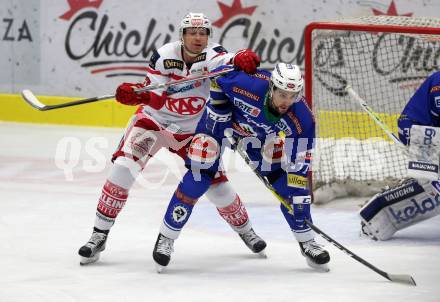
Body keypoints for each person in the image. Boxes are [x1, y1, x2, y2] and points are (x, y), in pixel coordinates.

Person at [78, 12, 267, 269]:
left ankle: (246, 230)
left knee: (217, 186)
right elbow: (156, 97)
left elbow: (230, 59)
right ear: (182, 35)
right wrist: (137, 96)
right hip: (154, 123)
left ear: (209, 37)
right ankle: (98, 235)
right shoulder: (164, 55)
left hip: (194, 131)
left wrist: (242, 56)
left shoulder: (213, 56)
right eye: (192, 32)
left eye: (203, 33)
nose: (198, 38)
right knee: (123, 169)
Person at [160, 62, 331, 271]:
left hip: (259, 137)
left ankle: (307, 242)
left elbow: (299, 163)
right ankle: (166, 238)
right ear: (272, 88)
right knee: (200, 175)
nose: (287, 101)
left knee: (290, 188)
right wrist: (221, 113)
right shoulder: (248, 84)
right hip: (217, 125)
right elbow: (216, 76)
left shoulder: (302, 118)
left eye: (292, 95)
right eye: (283, 94)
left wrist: (296, 196)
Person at [360, 71, 440, 240]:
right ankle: (377, 215)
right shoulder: (438, 84)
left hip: (434, 132)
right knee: (430, 182)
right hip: (418, 130)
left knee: (433, 183)